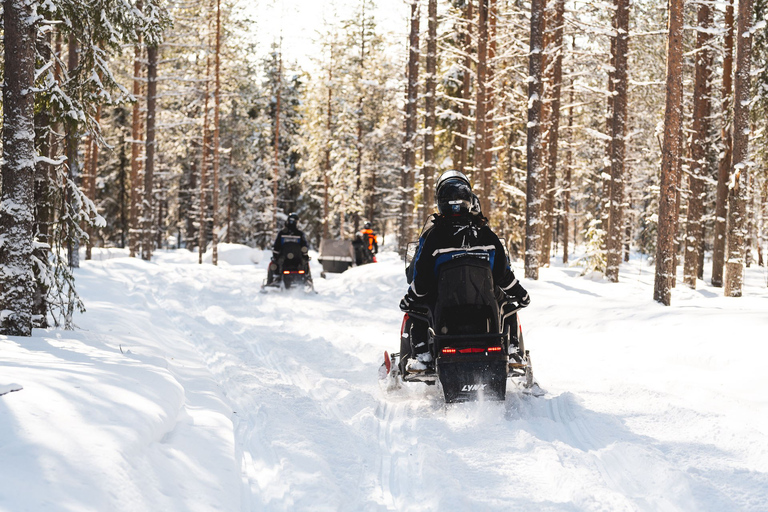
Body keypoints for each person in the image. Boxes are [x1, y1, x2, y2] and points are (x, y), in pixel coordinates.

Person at [400, 170, 530, 370]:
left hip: (445, 306)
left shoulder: (434, 237)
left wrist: (410, 297)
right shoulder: (487, 235)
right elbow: (503, 275)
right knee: (508, 303)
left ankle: (422, 356)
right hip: (483, 306)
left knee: (415, 306)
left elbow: (423, 278)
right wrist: (520, 295)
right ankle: (512, 351)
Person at [267, 212, 310, 285]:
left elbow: (276, 246)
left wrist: (275, 255)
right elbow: (304, 247)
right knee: (306, 263)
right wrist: (305, 255)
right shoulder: (299, 234)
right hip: (297, 260)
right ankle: (307, 278)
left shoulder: (282, 233)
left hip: (284, 260)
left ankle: (271, 280)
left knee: (272, 264)